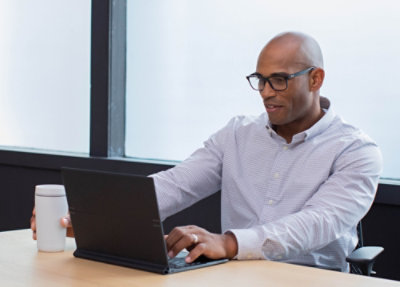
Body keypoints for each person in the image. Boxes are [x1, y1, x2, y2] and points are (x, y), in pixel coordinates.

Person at [31, 31, 382, 271]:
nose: (265, 92)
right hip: (231, 276)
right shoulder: (237, 134)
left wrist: (229, 243)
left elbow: (317, 224)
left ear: (315, 79)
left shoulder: (356, 151)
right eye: (260, 80)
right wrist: (95, 216)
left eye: (279, 79)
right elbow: (177, 184)